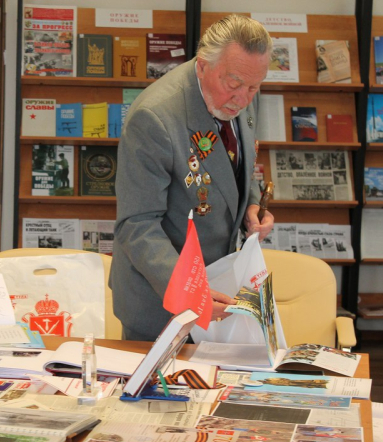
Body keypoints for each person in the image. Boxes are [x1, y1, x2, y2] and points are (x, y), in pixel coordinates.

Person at [110, 14, 276, 341]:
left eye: (254, 87)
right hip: (162, 299)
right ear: (202, 66)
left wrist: (252, 206)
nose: (243, 99)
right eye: (234, 85)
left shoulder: (243, 86)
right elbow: (136, 224)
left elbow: (233, 166)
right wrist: (191, 290)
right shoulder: (154, 118)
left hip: (222, 283)